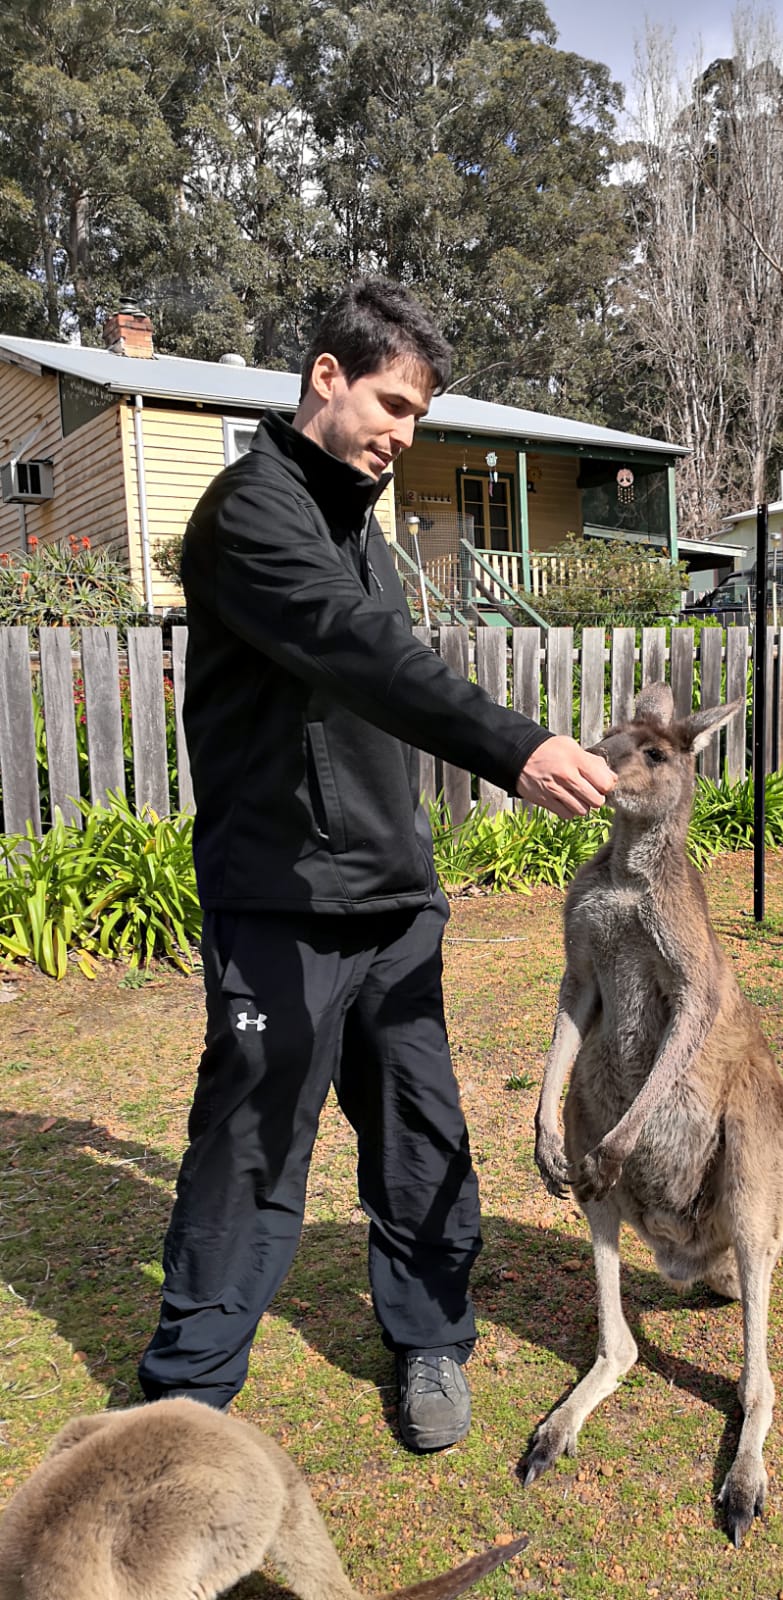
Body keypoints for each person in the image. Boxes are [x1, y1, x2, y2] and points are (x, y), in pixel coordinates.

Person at [137, 277, 615, 1452]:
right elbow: (357, 658)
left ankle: (431, 1339)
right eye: (392, 403)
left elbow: (387, 677)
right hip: (281, 898)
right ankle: (186, 1399)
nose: (403, 433)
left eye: (418, 415)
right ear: (325, 377)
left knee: (420, 1130)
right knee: (252, 1140)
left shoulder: (364, 526)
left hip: (392, 894)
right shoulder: (249, 515)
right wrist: (516, 746)